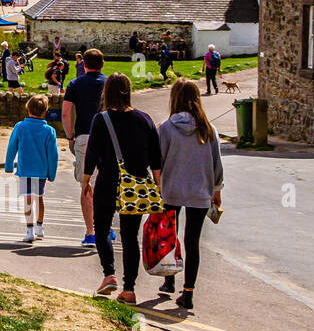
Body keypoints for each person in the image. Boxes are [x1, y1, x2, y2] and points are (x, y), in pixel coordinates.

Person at [82, 73, 162, 303]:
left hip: (108, 181)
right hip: (135, 185)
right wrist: (158, 184)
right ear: (129, 90)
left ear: (106, 92)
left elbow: (92, 153)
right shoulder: (144, 119)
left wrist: (86, 181)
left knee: (102, 228)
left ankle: (109, 274)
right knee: (130, 237)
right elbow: (156, 158)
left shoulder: (101, 119)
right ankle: (129, 288)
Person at [158, 79, 224, 310]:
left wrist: (157, 185)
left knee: (169, 237)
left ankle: (169, 280)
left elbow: (159, 162)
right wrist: (217, 190)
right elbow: (217, 163)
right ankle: (188, 292)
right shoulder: (209, 129)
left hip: (171, 191)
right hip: (200, 192)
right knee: (192, 241)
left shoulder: (166, 129)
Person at [62, 48, 111, 246]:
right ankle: (106, 229)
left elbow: (66, 113)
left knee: (86, 184)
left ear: (84, 64)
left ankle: (91, 232)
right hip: (108, 138)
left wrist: (70, 137)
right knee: (106, 185)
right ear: (103, 64)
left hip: (84, 135)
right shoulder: (110, 83)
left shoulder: (75, 84)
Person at [4, 95, 59, 242]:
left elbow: (12, 147)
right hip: (41, 171)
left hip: (25, 170)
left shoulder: (20, 127)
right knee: (39, 197)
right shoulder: (49, 131)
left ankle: (29, 231)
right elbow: (53, 155)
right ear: (45, 111)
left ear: (28, 109)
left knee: (28, 199)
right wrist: (52, 174)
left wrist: (9, 165)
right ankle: (39, 227)